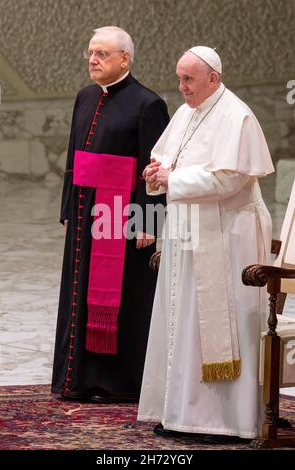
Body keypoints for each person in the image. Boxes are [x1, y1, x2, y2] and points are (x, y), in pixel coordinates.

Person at [138, 46, 274, 441]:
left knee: (217, 324)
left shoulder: (237, 115)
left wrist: (172, 180)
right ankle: (182, 412)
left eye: (188, 80)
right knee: (182, 322)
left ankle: (224, 420)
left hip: (229, 234)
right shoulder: (186, 112)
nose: (181, 88)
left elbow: (229, 180)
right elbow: (167, 159)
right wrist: (156, 171)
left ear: (212, 78)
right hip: (189, 231)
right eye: (179, 78)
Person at [51, 26, 169, 403]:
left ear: (124, 59)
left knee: (123, 299)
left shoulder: (148, 103)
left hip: (122, 216)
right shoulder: (85, 97)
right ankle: (78, 379)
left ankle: (120, 383)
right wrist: (69, 206)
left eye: (102, 54)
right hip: (86, 214)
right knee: (79, 294)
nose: (93, 60)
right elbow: (74, 157)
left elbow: (155, 168)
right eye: (90, 53)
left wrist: (149, 221)